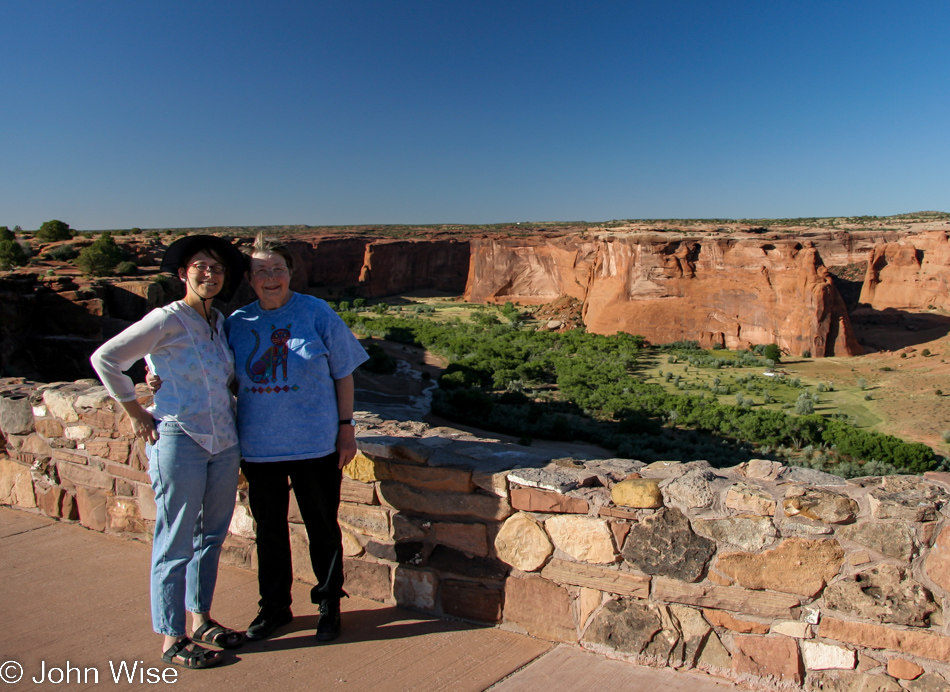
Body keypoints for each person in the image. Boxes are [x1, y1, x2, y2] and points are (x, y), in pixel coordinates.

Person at [91, 235, 247, 669]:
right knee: (174, 542)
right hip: (180, 438)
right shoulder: (167, 318)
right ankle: (171, 638)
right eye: (201, 266)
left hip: (224, 442)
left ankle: (201, 620)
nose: (209, 275)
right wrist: (137, 410)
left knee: (210, 537)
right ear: (183, 273)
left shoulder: (218, 321)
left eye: (217, 269)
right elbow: (106, 358)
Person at [224, 232, 368, 643]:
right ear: (249, 279)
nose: (270, 277)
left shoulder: (316, 313)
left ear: (289, 273)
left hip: (317, 444)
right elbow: (212, 371)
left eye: (277, 269)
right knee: (268, 532)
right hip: (259, 447)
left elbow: (344, 373)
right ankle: (274, 609)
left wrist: (346, 429)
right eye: (260, 271)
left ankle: (328, 606)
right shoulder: (236, 324)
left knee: (323, 528)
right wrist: (154, 374)